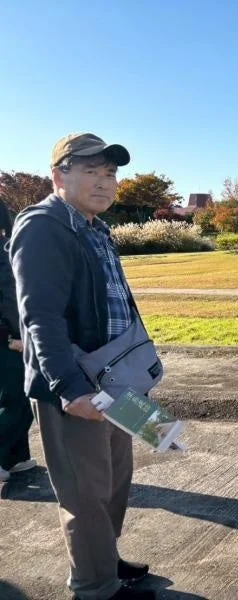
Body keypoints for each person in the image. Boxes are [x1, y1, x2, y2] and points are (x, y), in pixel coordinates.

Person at [10, 133, 155, 600]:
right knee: (85, 493)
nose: (104, 182)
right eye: (90, 171)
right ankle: (94, 586)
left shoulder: (95, 226)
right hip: (78, 386)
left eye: (110, 173)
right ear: (59, 176)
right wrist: (69, 389)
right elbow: (40, 317)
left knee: (115, 480)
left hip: (116, 379)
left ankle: (104, 559)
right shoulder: (42, 226)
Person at [0, 198, 36, 483]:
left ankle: (16, 456)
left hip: (18, 338)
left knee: (21, 399)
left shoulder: (8, 251)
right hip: (8, 342)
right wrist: (10, 339)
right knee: (17, 400)